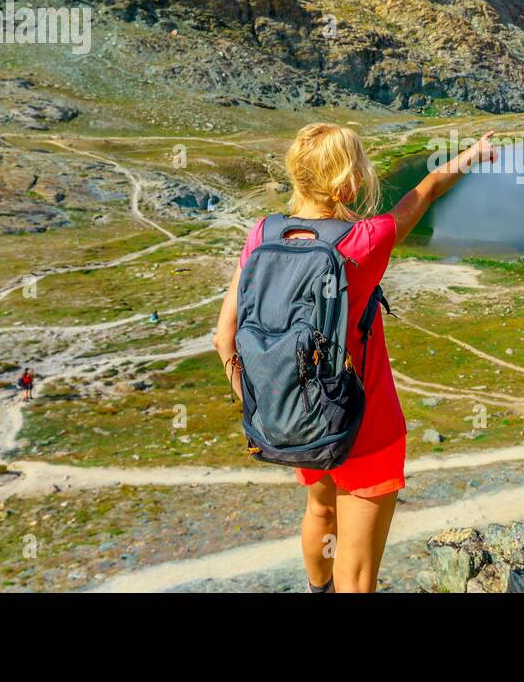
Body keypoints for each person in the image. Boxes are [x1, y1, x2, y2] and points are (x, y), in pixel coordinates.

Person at [213, 123, 497, 594]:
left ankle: (315, 589)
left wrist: (260, 402)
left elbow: (225, 338)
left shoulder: (262, 233)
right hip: (367, 426)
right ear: (346, 182)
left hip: (300, 416)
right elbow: (424, 192)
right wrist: (472, 155)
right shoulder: (364, 240)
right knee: (358, 573)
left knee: (320, 510)